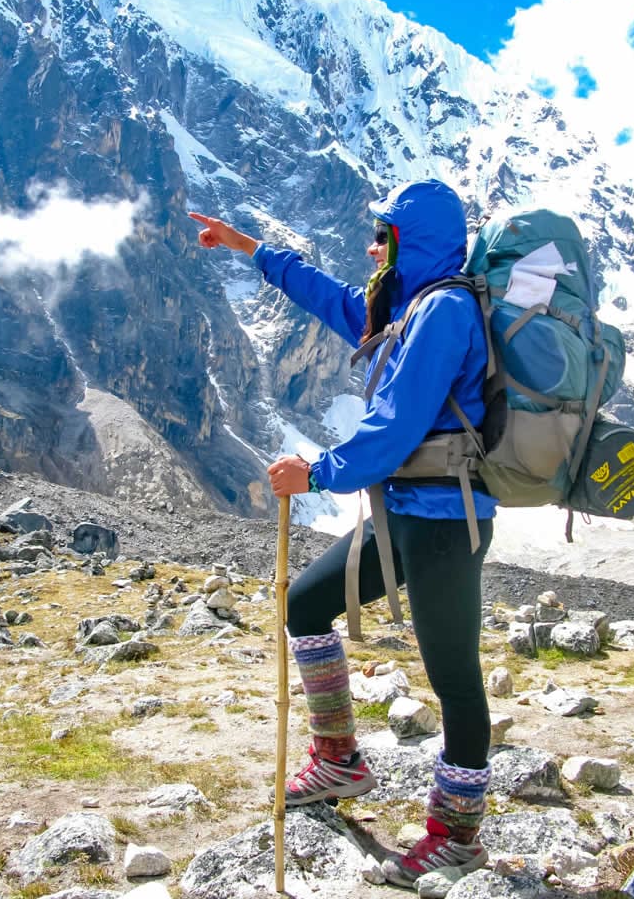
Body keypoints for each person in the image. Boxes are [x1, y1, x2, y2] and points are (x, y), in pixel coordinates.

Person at [190, 179, 498, 889]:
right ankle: (340, 760)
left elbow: (396, 426)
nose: (370, 245)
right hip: (406, 516)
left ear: (408, 240)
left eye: (381, 234)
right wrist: (253, 252)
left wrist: (318, 473)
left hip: (449, 520)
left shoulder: (445, 311)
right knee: (305, 601)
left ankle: (456, 837)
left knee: (454, 679)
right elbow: (334, 300)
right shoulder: (409, 306)